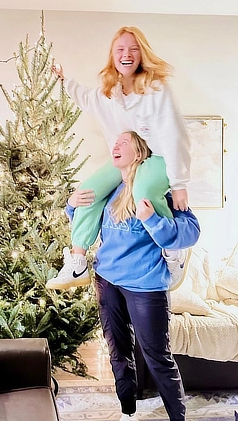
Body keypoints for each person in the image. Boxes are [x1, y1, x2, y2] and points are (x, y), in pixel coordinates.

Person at [64, 131, 200, 421]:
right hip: (107, 280)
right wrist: (72, 204)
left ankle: (179, 417)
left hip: (146, 286)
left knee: (157, 357)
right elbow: (83, 226)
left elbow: (191, 231)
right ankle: (128, 413)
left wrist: (152, 219)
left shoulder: (158, 192)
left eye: (124, 142)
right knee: (118, 353)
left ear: (139, 154)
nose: (116, 145)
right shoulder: (107, 192)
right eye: (115, 142)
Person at [46, 26, 191, 290]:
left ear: (142, 55)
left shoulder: (157, 90)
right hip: (125, 157)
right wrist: (62, 81)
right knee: (88, 192)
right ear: (112, 56)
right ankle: (78, 262)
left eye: (134, 49)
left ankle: (172, 253)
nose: (127, 54)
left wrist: (179, 183)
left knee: (144, 189)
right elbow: (83, 97)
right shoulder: (108, 93)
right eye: (120, 49)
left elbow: (174, 134)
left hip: (156, 157)